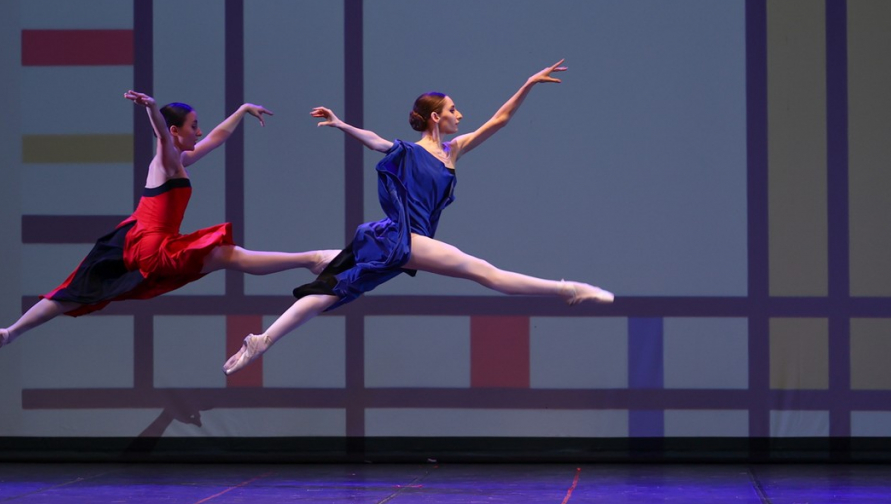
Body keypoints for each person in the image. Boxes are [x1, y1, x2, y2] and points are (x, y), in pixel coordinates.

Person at [223, 60, 613, 375]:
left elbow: (499, 121)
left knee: (334, 285)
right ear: (434, 118)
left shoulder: (453, 150)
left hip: (395, 240)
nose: (460, 114)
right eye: (453, 110)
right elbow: (376, 141)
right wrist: (342, 125)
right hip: (403, 238)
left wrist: (527, 84)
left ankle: (263, 340)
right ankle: (566, 289)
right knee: (485, 273)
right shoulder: (408, 151)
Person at [0, 91, 339, 359]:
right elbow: (163, 136)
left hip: (129, 239)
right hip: (152, 246)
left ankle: (9, 332)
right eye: (193, 126)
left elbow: (217, 138)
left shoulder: (179, 158)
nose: (200, 132)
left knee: (71, 294)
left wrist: (242, 110)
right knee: (228, 255)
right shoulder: (167, 159)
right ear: (176, 130)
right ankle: (312, 259)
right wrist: (151, 109)